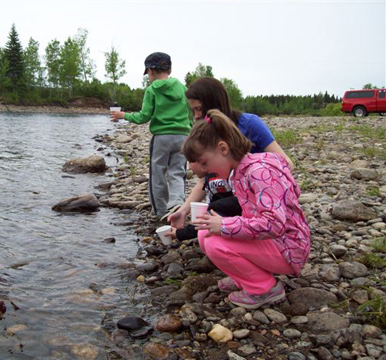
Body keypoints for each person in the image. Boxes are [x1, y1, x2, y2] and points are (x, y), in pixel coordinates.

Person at [183, 109, 310, 309]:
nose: (205, 171)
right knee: (205, 233)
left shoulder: (259, 173)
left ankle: (264, 289)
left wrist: (225, 224)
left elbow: (274, 224)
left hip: (288, 248)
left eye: (204, 162)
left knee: (216, 242)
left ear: (223, 148)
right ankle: (245, 276)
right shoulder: (242, 170)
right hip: (277, 242)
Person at [167, 76, 293, 239]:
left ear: (214, 104)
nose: (197, 116)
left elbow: (286, 163)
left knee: (213, 225)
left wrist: (255, 176)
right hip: (222, 196)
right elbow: (204, 180)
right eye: (193, 111)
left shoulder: (249, 124)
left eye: (199, 109)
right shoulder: (205, 131)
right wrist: (184, 209)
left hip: (252, 197)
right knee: (208, 231)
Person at [111, 52, 192, 218]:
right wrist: (189, 129)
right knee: (177, 172)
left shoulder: (152, 90)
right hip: (183, 136)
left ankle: (160, 211)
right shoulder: (183, 88)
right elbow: (190, 111)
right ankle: (176, 205)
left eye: (147, 72)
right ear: (169, 69)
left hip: (161, 137)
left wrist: (123, 116)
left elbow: (143, 117)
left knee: (157, 174)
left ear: (150, 70)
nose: (148, 76)